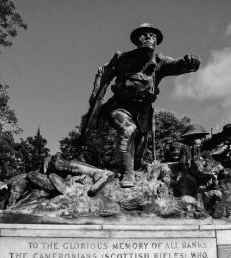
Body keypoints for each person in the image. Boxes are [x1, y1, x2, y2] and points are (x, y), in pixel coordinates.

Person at [86, 23, 201, 188]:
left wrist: (191, 61)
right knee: (127, 130)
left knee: (138, 154)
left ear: (157, 41)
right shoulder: (122, 59)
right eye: (144, 34)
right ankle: (127, 174)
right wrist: (96, 93)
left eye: (152, 35)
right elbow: (103, 72)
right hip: (119, 106)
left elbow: (179, 65)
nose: (148, 37)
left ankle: (131, 167)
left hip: (143, 112)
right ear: (136, 40)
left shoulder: (160, 62)